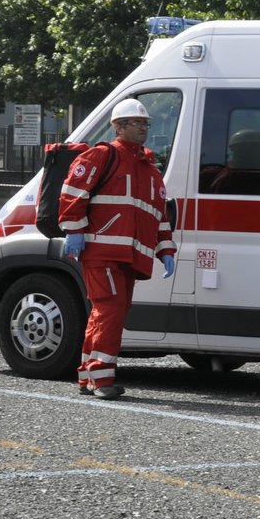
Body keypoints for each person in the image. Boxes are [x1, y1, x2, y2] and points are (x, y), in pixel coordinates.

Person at [60, 98, 176, 400]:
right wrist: (74, 230)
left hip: (128, 257)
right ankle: (102, 380)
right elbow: (73, 193)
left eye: (146, 123)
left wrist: (166, 250)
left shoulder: (150, 170)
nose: (144, 128)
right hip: (101, 252)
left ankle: (88, 376)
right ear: (119, 126)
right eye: (137, 123)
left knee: (108, 312)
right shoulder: (102, 155)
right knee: (109, 311)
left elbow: (159, 216)